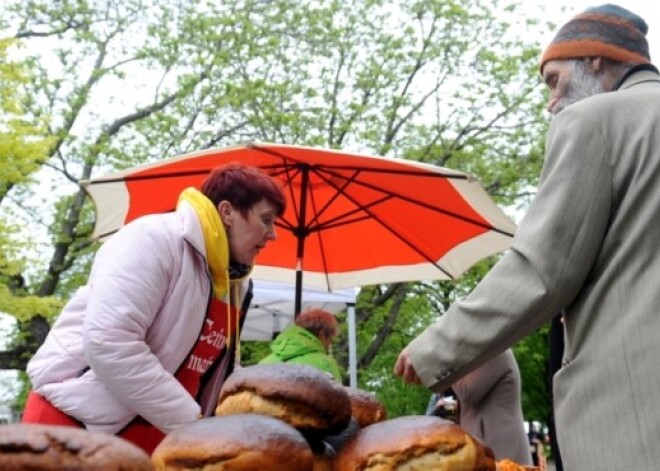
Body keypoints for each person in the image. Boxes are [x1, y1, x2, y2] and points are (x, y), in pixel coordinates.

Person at [394, 4, 660, 470]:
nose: (551, 104)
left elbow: (542, 270)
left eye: (554, 81)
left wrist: (433, 349)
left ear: (597, 59)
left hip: (633, 416)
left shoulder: (594, 120)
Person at [22, 163, 286, 455]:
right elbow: (109, 342)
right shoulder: (153, 238)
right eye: (266, 219)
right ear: (227, 212)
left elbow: (220, 368)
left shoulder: (237, 283)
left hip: (156, 440)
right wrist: (197, 427)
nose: (273, 235)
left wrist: (261, 410)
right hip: (72, 426)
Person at [259, 308, 342, 381]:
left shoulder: (263, 363)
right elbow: (338, 398)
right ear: (322, 335)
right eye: (331, 340)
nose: (330, 344)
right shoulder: (327, 365)